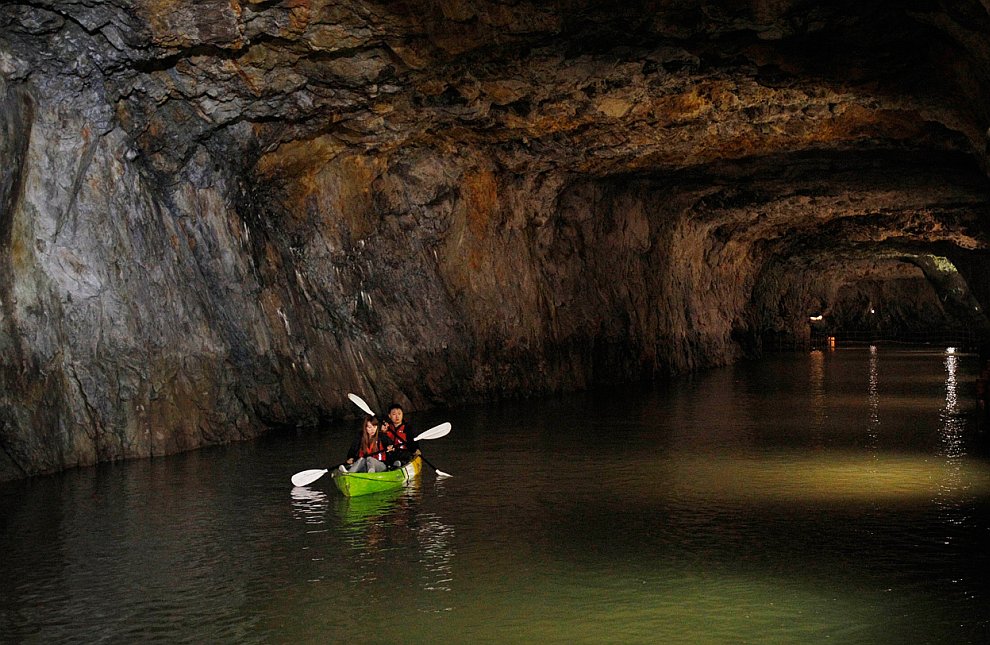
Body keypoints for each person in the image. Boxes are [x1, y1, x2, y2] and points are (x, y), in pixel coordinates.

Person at [382, 402, 420, 467]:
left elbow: (413, 447)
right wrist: (383, 433)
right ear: (389, 416)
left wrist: (395, 449)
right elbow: (380, 444)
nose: (397, 416)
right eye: (394, 414)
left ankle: (399, 464)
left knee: (407, 454)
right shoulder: (386, 428)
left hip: (404, 454)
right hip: (390, 454)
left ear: (402, 415)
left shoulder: (408, 428)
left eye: (399, 414)